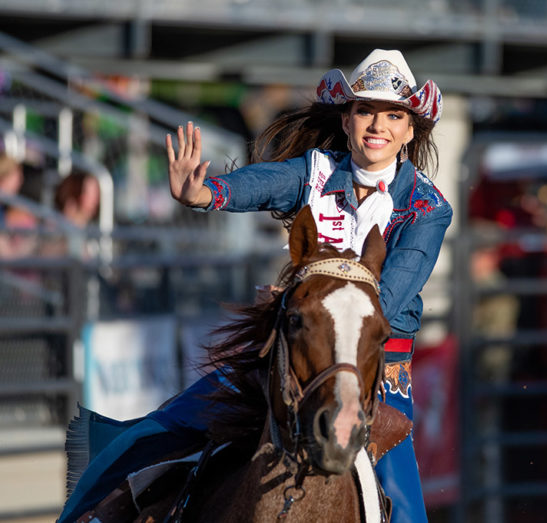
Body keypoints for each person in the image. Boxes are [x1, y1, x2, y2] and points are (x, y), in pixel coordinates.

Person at [60, 49, 450, 523]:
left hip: (375, 369)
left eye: (393, 115)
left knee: (407, 510)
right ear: (346, 120)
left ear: (411, 129)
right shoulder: (315, 171)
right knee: (145, 437)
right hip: (291, 352)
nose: (377, 124)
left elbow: (385, 301)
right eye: (365, 110)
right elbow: (260, 183)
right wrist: (204, 193)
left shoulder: (429, 208)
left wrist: (316, 304)